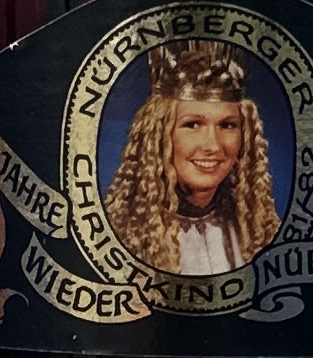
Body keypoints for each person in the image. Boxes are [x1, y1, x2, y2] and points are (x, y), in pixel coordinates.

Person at [103, 38, 281, 278]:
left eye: (227, 125)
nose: (213, 145)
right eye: (193, 125)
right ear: (158, 135)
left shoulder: (260, 232)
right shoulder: (115, 236)